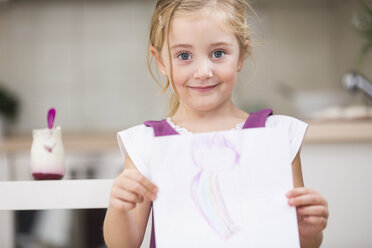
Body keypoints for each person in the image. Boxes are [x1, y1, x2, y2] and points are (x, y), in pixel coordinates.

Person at [103, 0, 329, 247]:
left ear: (241, 55)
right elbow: (124, 245)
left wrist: (309, 232)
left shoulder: (278, 136)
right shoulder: (145, 144)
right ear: (161, 62)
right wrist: (118, 207)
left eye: (218, 53)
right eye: (184, 56)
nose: (203, 72)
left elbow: (300, 240)